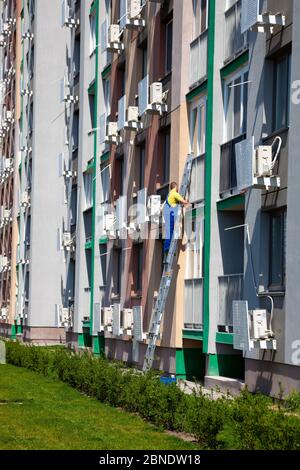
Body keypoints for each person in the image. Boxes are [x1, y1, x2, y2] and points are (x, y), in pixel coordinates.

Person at [163, 182, 189, 253]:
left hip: (166, 213)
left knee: (169, 231)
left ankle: (166, 248)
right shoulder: (175, 193)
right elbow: (183, 201)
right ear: (176, 187)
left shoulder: (169, 194)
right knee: (171, 231)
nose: (178, 189)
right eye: (177, 187)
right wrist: (189, 204)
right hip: (169, 213)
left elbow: (174, 203)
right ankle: (168, 248)